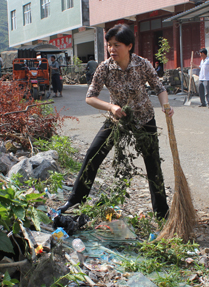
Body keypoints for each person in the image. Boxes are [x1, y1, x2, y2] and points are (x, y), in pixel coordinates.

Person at [57, 24, 173, 219]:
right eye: (109, 45)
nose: (111, 49)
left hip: (144, 119)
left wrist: (166, 105)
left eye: (116, 45)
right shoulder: (105, 68)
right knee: (93, 154)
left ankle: (161, 211)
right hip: (117, 119)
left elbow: (159, 87)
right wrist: (110, 107)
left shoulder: (142, 64)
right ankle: (76, 199)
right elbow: (90, 97)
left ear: (129, 46)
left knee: (153, 164)